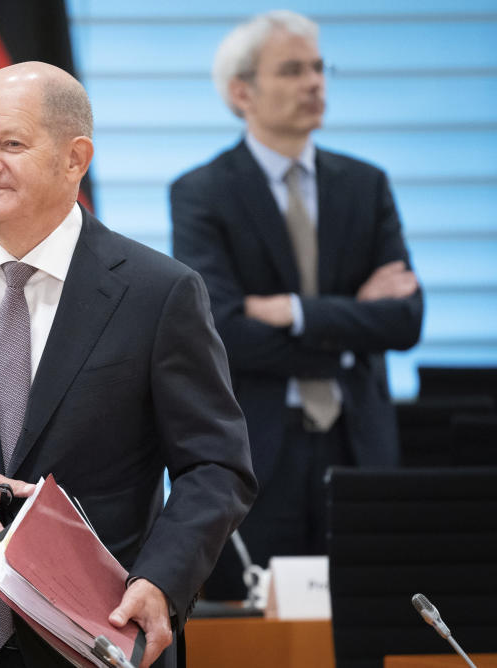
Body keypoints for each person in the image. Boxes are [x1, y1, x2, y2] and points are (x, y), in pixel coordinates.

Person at [0, 61, 257, 668]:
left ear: (75, 158)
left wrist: (161, 581)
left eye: (10, 143)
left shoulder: (158, 291)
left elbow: (216, 466)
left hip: (101, 631)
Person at [170, 10, 423, 600]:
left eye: (318, 67)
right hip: (259, 453)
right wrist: (352, 315)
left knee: (364, 619)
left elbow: (406, 320)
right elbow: (225, 332)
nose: (315, 83)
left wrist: (295, 311)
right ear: (242, 91)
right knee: (258, 629)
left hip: (358, 446)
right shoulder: (202, 193)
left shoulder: (366, 185)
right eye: (291, 70)